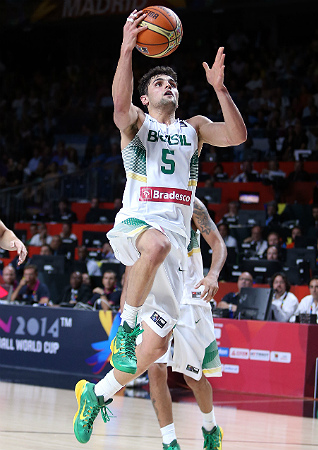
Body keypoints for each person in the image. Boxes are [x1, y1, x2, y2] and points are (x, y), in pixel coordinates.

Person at [72, 9, 247, 445]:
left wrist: (221, 89)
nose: (168, 86)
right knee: (156, 247)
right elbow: (117, 104)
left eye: (172, 83)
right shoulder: (138, 125)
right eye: (158, 83)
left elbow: (239, 136)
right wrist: (127, 50)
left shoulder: (195, 130)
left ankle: (95, 394)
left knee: (154, 350)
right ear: (145, 98)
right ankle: (126, 327)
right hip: (137, 225)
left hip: (169, 248)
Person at [147, 197, 227, 449]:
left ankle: (210, 427)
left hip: (188, 298)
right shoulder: (144, 201)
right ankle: (169, 442)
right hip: (156, 298)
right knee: (155, 369)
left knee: (192, 377)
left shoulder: (192, 203)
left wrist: (213, 275)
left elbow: (218, 244)